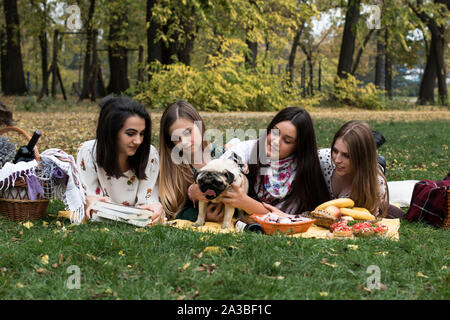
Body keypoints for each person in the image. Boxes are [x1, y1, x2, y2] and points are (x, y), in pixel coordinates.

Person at [190, 107, 331, 216]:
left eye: (287, 140)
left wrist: (245, 203)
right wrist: (193, 190)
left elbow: (280, 217)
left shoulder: (301, 172)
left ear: (299, 146)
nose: (276, 141)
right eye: (274, 132)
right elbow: (216, 172)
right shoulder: (247, 149)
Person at [76, 95, 163, 222]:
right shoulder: (88, 153)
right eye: (130, 134)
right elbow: (94, 207)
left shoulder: (150, 154)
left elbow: (147, 205)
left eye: (142, 133)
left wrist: (155, 208)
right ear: (111, 132)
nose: (138, 141)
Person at [159, 100, 235, 222]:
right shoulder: (175, 167)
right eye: (176, 138)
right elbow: (170, 210)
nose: (184, 142)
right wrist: (201, 215)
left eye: (188, 132)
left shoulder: (223, 157)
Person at [317, 120, 404, 218]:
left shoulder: (376, 185)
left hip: (369, 168)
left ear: (362, 158)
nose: (337, 160)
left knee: (378, 164)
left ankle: (378, 158)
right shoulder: (321, 160)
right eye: (335, 151)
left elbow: (370, 219)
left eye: (346, 155)